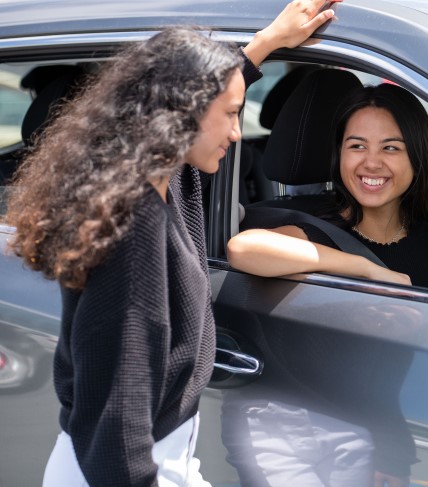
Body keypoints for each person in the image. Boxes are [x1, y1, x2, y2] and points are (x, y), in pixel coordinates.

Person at [3, 1, 337, 486]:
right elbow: (116, 415)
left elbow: (216, 91)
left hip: (159, 459)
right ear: (179, 118)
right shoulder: (131, 230)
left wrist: (266, 42)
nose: (238, 131)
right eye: (230, 114)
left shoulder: (159, 181)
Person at [227, 83, 428, 289]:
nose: (372, 163)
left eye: (391, 148)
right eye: (357, 146)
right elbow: (243, 249)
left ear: (417, 157)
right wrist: (364, 268)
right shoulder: (324, 231)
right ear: (339, 154)